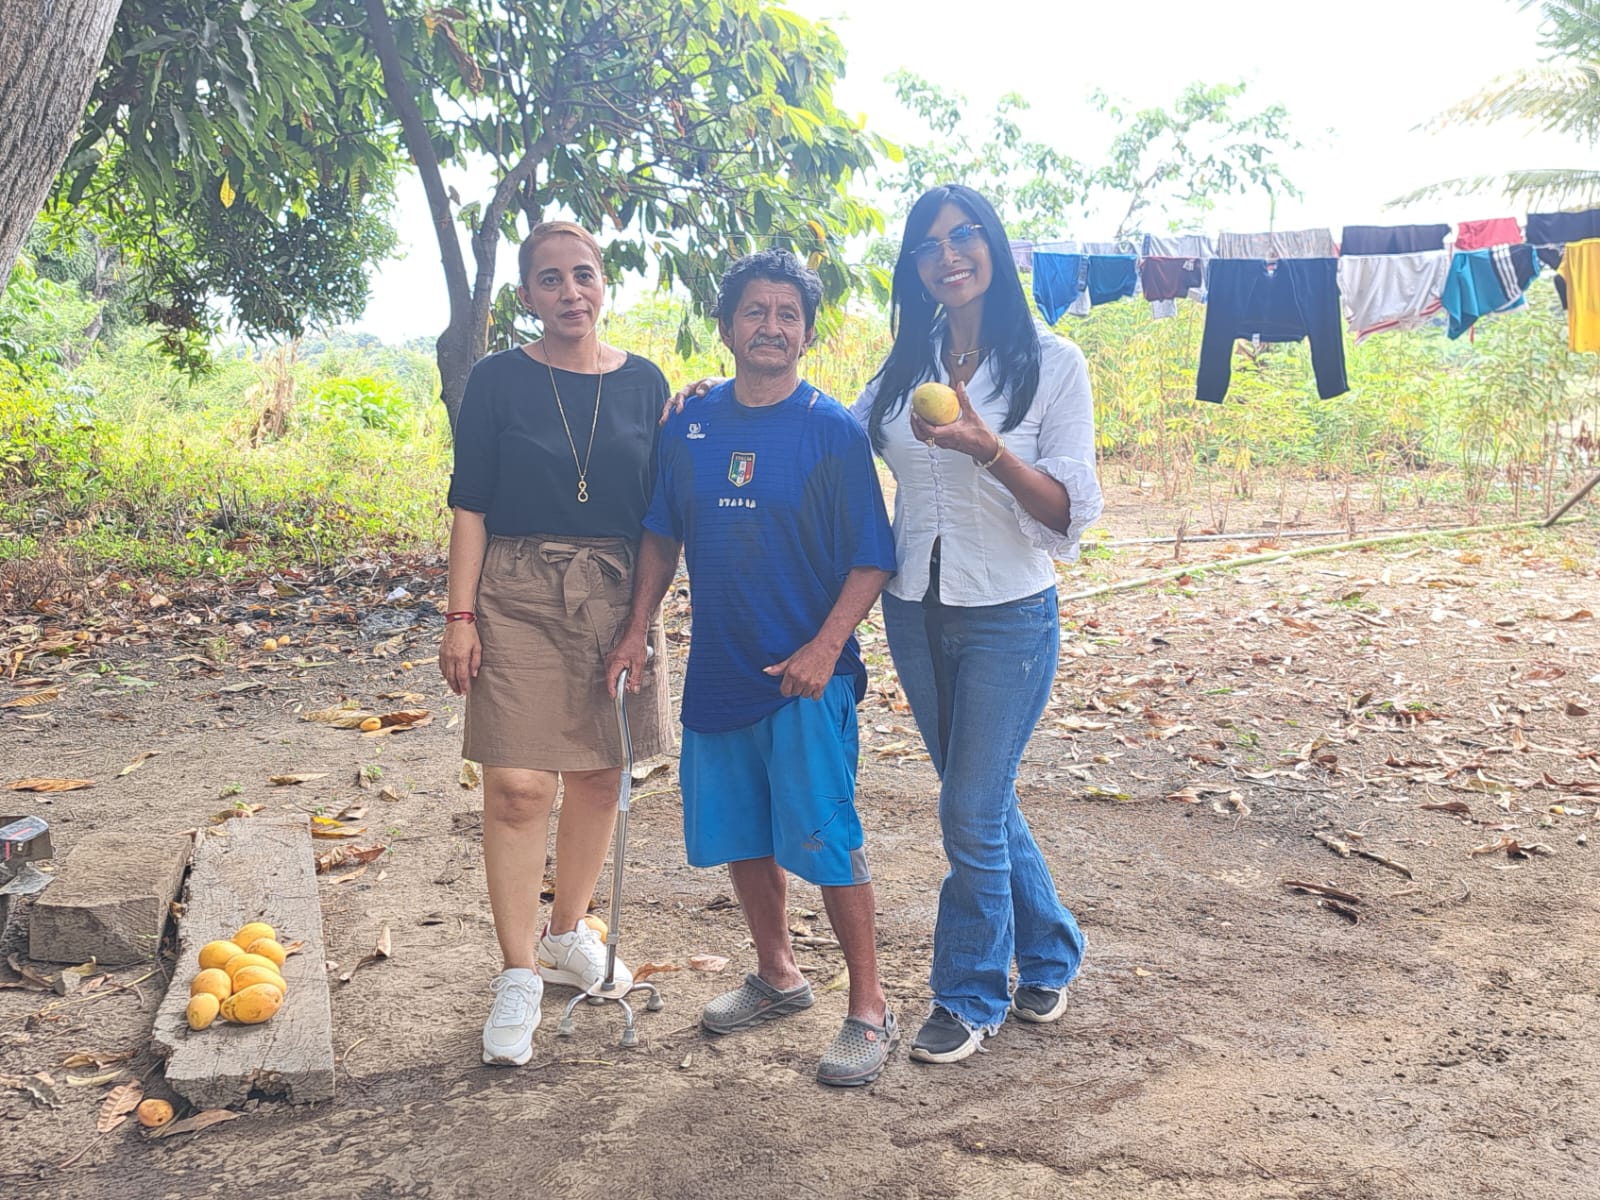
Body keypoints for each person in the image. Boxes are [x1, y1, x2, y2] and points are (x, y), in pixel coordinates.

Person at [605, 249, 899, 1087]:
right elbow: (662, 532)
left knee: (828, 839)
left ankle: (870, 1008)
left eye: (787, 315)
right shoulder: (691, 424)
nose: (771, 327)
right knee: (742, 833)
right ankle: (777, 975)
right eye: (756, 312)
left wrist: (824, 649)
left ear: (807, 333)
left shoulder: (831, 430)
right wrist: (636, 629)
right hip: (720, 671)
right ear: (727, 326)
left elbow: (873, 557)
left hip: (804, 680)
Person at [852, 185, 1104, 1064]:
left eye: (965, 236)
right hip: (915, 612)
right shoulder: (905, 364)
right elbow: (837, 436)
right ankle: (1052, 950)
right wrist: (734, 395)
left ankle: (968, 993)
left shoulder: (1051, 361)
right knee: (982, 800)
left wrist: (990, 449)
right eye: (929, 245)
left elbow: (1067, 513)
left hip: (1008, 615)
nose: (949, 255)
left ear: (994, 247)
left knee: (967, 805)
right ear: (914, 268)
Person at [440, 220, 675, 1067]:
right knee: (516, 785)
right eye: (551, 279)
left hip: (617, 593)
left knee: (601, 773)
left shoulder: (645, 383)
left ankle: (567, 932)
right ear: (527, 295)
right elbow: (470, 504)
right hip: (515, 591)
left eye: (584, 274)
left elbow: (663, 514)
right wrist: (459, 617)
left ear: (603, 282)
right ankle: (518, 972)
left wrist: (640, 621)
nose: (571, 292)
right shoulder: (498, 381)